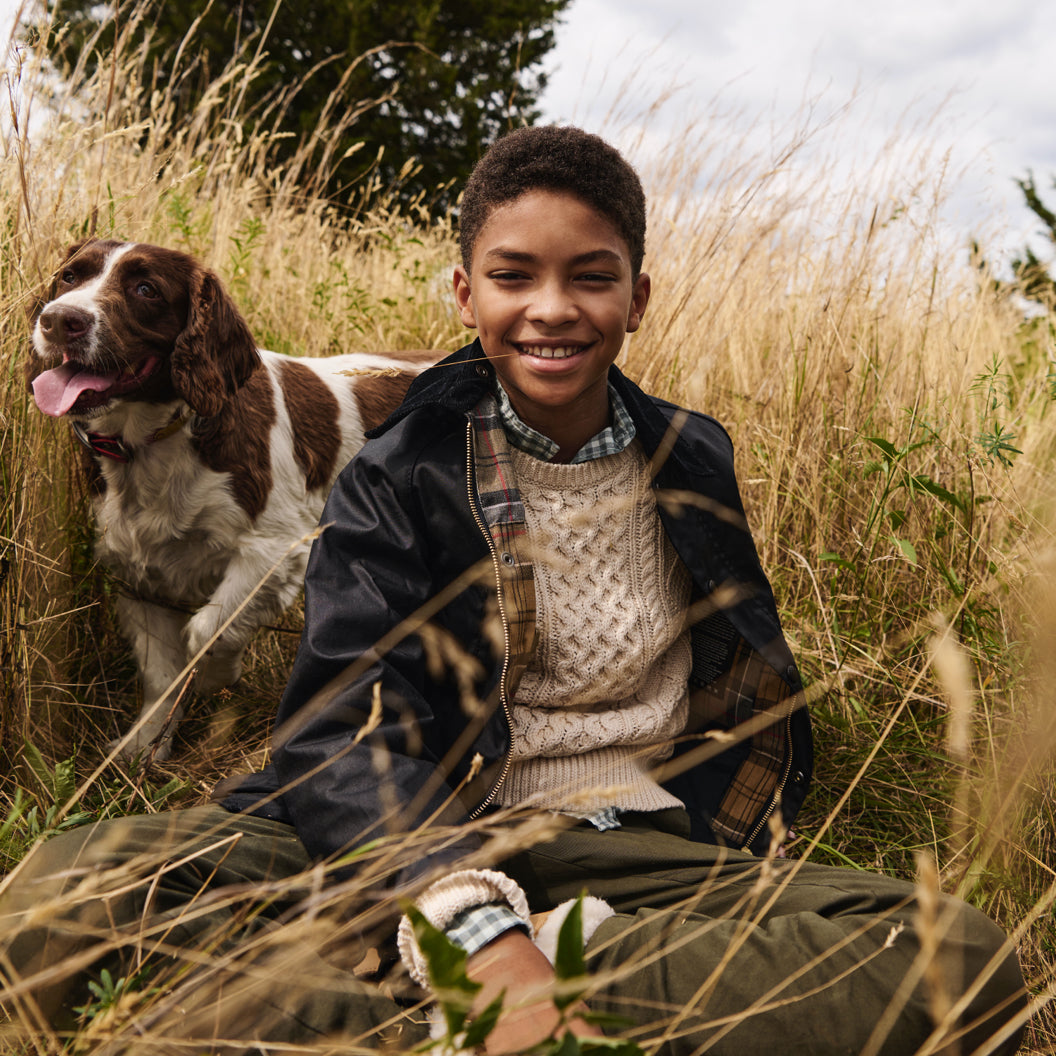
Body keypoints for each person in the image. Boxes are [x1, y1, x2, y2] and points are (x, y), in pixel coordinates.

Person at [1, 126, 1027, 1055]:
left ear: (637, 298)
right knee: (52, 902)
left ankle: (423, 1008)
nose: (550, 308)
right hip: (415, 826)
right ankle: (512, 990)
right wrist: (477, 927)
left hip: (632, 841)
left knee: (961, 953)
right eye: (512, 275)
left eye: (590, 277)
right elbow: (334, 735)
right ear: (465, 295)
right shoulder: (396, 470)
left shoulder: (694, 458)